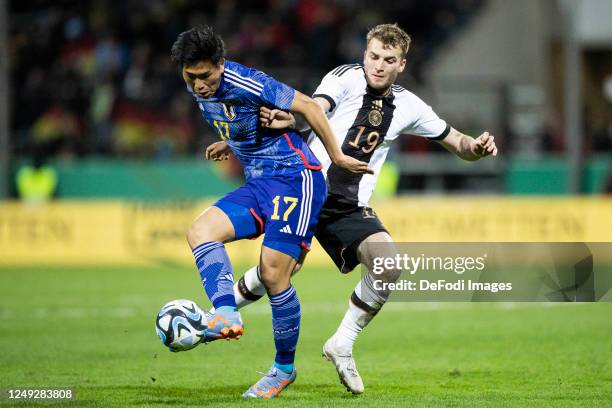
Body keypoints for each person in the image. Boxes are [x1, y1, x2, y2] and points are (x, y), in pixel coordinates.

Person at [206, 23, 498, 394]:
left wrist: (477, 146)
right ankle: (214, 317)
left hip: (347, 205)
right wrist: (286, 121)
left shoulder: (410, 105)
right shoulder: (343, 78)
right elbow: (315, 108)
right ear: (365, 54)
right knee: (275, 273)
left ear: (401, 65)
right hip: (306, 188)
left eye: (388, 60)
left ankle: (342, 343)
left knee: (388, 264)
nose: (378, 65)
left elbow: (457, 142)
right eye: (373, 56)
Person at [170, 25, 372, 399]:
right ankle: (226, 313)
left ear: (221, 64)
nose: (199, 85)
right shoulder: (198, 88)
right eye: (190, 77)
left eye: (206, 76)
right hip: (259, 183)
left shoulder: (247, 81)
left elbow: (309, 106)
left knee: (272, 273)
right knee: (200, 231)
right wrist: (229, 141)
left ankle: (282, 369)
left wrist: (340, 157)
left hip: (297, 179)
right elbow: (243, 119)